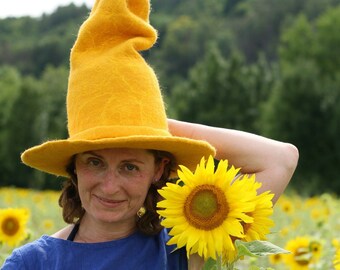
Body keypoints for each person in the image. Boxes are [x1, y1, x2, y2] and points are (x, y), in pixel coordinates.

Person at [1, 0, 298, 269]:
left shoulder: (185, 245)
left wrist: (149, 123)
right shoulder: (33, 264)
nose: (110, 186)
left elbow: (280, 158)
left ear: (159, 170)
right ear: (74, 167)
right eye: (94, 162)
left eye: (130, 166)